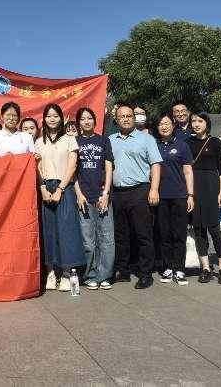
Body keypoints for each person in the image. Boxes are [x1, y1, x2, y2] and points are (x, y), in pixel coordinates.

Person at [108, 102, 162, 289]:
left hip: (140, 190)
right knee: (121, 234)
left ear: (134, 118)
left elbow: (156, 164)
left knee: (143, 234)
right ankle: (123, 270)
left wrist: (154, 189)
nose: (125, 119)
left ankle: (145, 273)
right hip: (118, 193)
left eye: (128, 116)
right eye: (121, 116)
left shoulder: (147, 139)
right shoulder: (110, 139)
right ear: (116, 119)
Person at [35, 104, 85, 291]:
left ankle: (66, 273)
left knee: (67, 231)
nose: (52, 119)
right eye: (48, 116)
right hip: (46, 187)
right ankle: (50, 272)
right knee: (48, 231)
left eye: (55, 116)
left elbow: (72, 166)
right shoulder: (38, 142)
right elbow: (37, 167)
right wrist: (42, 188)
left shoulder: (70, 140)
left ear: (61, 118)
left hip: (65, 187)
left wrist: (60, 189)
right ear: (44, 119)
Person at [73, 107, 114, 290]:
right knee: (88, 240)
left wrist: (106, 194)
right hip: (84, 197)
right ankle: (90, 274)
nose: (87, 121)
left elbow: (109, 167)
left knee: (106, 238)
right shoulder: (74, 141)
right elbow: (72, 171)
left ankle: (104, 275)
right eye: (83, 119)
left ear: (95, 121)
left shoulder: (103, 140)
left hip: (102, 196)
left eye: (89, 118)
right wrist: (79, 194)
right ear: (78, 123)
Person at [187, 111, 221, 284]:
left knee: (214, 229)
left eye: (200, 121)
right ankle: (205, 267)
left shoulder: (215, 142)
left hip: (212, 186)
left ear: (207, 123)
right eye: (194, 121)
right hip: (194, 187)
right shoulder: (187, 143)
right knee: (198, 229)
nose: (196, 124)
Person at [154, 114, 194, 285]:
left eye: (167, 123)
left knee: (179, 234)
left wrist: (190, 195)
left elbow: (188, 172)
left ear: (173, 125)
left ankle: (179, 269)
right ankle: (168, 267)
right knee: (164, 233)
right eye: (161, 124)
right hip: (160, 196)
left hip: (179, 195)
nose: (164, 126)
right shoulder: (153, 145)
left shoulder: (182, 145)